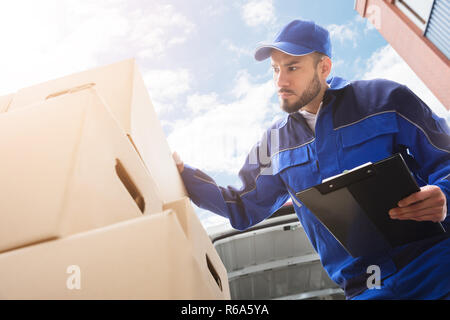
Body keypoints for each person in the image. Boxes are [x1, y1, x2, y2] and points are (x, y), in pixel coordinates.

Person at [172, 19, 450, 300]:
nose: (280, 80)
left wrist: (444, 195)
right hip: (367, 288)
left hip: (436, 265)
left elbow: (446, 159)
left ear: (324, 67)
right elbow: (242, 207)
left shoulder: (386, 98)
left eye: (292, 67)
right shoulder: (273, 143)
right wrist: (181, 173)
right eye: (275, 69)